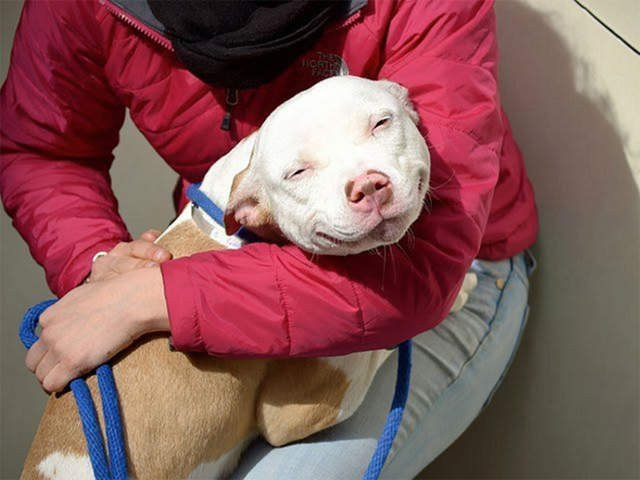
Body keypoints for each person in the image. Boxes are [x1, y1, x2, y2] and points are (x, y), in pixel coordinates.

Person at [0, 0, 538, 477]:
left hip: (449, 271)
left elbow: (429, 256)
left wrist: (152, 297)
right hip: (233, 267)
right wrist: (99, 264)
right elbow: (44, 149)